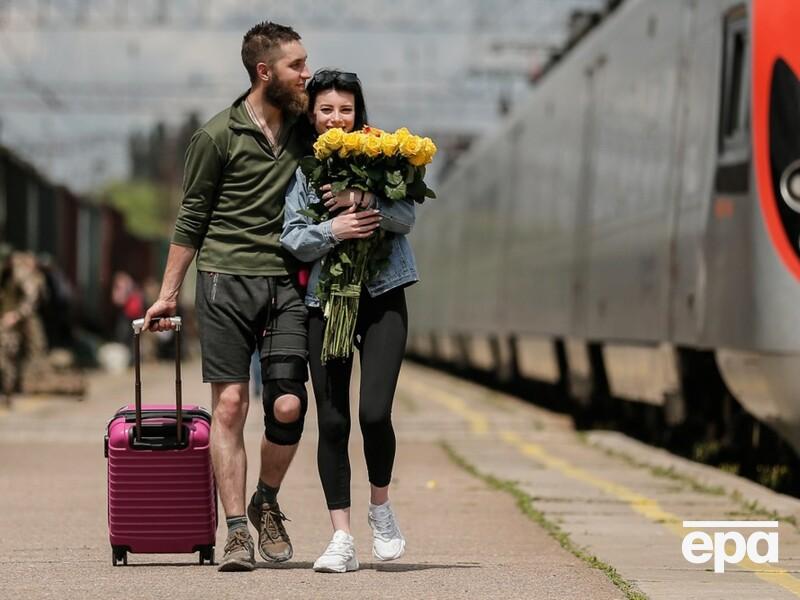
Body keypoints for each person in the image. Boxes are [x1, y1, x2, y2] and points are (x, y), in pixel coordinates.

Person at [142, 21, 311, 572]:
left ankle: (267, 500)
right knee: (232, 405)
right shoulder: (216, 136)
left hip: (285, 280)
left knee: (287, 404)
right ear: (265, 72)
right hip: (222, 280)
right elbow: (191, 216)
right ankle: (237, 529)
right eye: (297, 65)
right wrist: (169, 294)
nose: (306, 74)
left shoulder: (308, 131)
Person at [281, 69, 418, 573]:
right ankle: (341, 537)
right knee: (333, 420)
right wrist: (333, 229)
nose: (336, 118)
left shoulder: (387, 158)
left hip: (383, 296)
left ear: (358, 114)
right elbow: (292, 237)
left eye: (345, 109)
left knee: (374, 414)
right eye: (326, 110)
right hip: (328, 303)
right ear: (313, 116)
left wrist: (364, 199)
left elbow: (406, 218)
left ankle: (380, 508)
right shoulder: (304, 174)